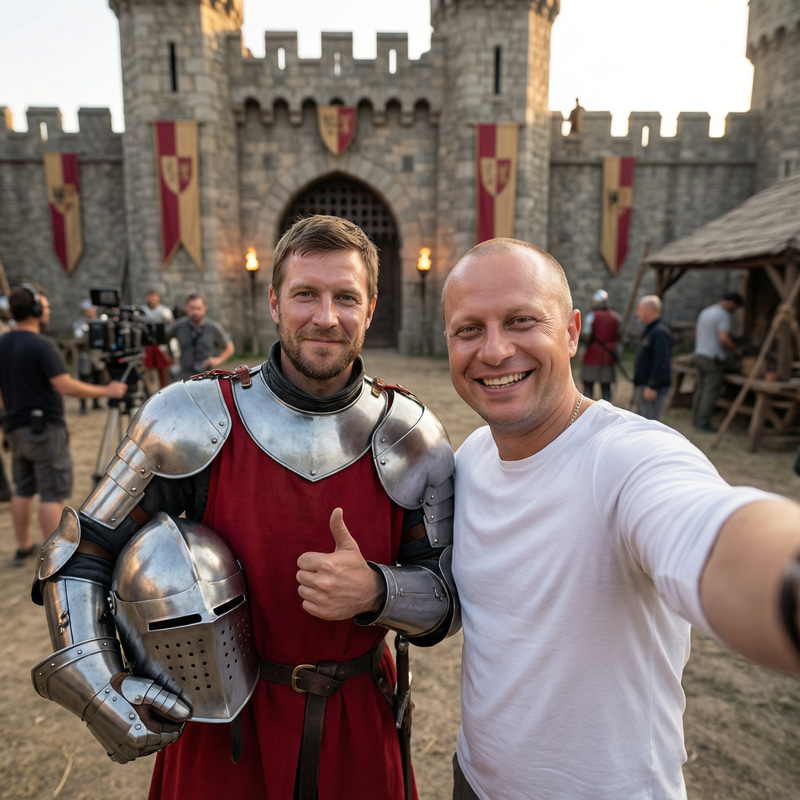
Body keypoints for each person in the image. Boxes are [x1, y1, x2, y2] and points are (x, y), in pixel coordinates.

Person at [30, 216, 459, 800]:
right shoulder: (190, 416)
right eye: (306, 293)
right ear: (275, 302)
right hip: (220, 726)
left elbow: (446, 596)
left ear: (371, 307)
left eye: (345, 298)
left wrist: (377, 592)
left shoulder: (412, 435)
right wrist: (98, 682)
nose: (326, 316)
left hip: (356, 725)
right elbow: (82, 550)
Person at [441, 238, 800, 800]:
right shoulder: (473, 458)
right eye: (469, 329)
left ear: (571, 330)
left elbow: (712, 536)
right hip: (476, 779)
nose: (493, 350)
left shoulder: (628, 458)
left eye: (521, 320)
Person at [0, 284, 127, 566]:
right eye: (45, 306)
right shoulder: (43, 345)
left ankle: (23, 548)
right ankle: (55, 556)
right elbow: (65, 385)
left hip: (16, 426)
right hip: (44, 429)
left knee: (22, 489)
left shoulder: (3, 342)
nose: (48, 311)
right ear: (34, 311)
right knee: (51, 492)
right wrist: (108, 391)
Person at [692, 290, 744, 432]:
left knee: (701, 389)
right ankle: (703, 423)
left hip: (699, 353)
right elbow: (724, 338)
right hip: (711, 358)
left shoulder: (706, 311)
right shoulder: (723, 315)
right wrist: (735, 351)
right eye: (736, 307)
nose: (735, 311)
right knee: (710, 391)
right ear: (732, 303)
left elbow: (697, 334)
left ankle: (696, 419)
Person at [167, 291, 234, 381]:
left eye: (198, 308)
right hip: (184, 378)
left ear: (204, 308)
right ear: (186, 308)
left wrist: (217, 360)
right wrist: (170, 358)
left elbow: (229, 347)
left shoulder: (213, 328)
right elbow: (163, 339)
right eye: (192, 308)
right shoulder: (178, 326)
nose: (195, 312)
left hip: (207, 378)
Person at [632, 294, 673, 420]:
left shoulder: (659, 332)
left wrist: (653, 386)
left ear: (650, 310)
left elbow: (661, 361)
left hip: (651, 388)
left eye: (640, 309)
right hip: (644, 385)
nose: (637, 313)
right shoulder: (651, 330)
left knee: (649, 423)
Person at [579, 288, 620, 402]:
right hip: (608, 354)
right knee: (606, 387)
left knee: (588, 387)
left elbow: (586, 335)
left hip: (593, 353)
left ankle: (586, 411)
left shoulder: (591, 316)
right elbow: (618, 336)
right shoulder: (615, 317)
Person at [72, 299, 105, 415]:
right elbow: (79, 340)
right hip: (86, 355)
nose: (91, 311)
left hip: (97, 355)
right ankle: (83, 406)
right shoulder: (80, 323)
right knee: (84, 381)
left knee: (98, 379)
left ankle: (96, 402)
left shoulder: (101, 321)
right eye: (88, 309)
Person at [140, 288, 174, 392]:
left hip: (161, 345)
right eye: (150, 296)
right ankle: (148, 394)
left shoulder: (165, 312)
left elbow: (171, 329)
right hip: (147, 346)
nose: (152, 299)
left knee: (163, 371)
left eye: (154, 296)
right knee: (147, 373)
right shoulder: (143, 311)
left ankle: (164, 391)